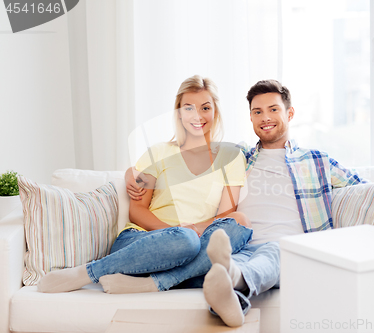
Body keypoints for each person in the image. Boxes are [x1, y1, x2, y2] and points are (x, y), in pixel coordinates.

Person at [126, 79, 367, 327]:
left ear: (290, 113)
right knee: (221, 268)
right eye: (257, 112)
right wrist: (130, 172)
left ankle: (234, 281)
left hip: (290, 248)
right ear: (250, 118)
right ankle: (231, 295)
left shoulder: (317, 160)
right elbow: (183, 156)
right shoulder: (238, 156)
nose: (265, 117)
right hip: (240, 247)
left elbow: (367, 191)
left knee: (273, 251)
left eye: (273, 109)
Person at [37, 75, 253, 294]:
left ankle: (155, 282)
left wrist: (195, 231)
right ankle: (88, 272)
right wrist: (178, 232)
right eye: (188, 108)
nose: (197, 115)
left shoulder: (232, 157)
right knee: (186, 242)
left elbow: (225, 216)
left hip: (198, 239)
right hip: (143, 242)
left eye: (205, 108)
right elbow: (137, 210)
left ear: (215, 110)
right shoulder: (157, 152)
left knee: (240, 223)